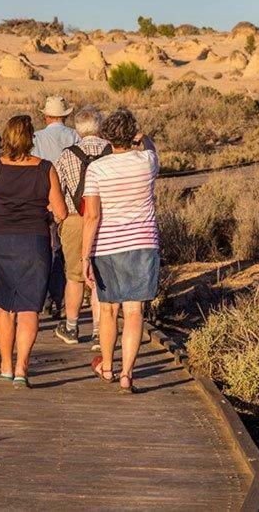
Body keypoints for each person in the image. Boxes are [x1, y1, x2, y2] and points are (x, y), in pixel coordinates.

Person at [0, 115, 68, 389]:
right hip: (34, 242)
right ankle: (22, 369)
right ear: (31, 140)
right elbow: (60, 212)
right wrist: (45, 217)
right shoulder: (45, 169)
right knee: (28, 309)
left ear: (6, 138)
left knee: (4, 306)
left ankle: (5, 365)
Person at [82, 108, 160, 394]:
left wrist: (85, 254)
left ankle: (107, 366)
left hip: (108, 245)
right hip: (143, 243)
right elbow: (152, 149)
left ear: (107, 138)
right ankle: (127, 374)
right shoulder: (147, 161)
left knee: (108, 309)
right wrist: (146, 138)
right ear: (132, 135)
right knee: (135, 310)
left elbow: (91, 216)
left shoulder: (97, 169)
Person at [53, 107, 110, 348]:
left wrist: (60, 218)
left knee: (74, 276)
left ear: (77, 129)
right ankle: (99, 331)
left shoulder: (68, 155)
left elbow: (58, 188)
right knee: (100, 277)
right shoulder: (112, 151)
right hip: (107, 218)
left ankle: (72, 327)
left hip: (76, 219)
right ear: (100, 126)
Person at [30, 95, 81, 318]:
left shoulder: (37, 137)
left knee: (42, 250)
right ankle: (57, 299)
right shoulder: (74, 135)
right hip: (70, 203)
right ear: (65, 116)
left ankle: (39, 296)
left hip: (43, 201)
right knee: (62, 252)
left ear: (46, 115)